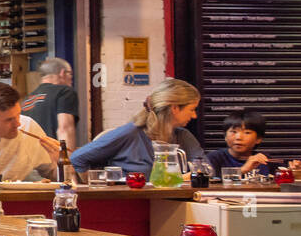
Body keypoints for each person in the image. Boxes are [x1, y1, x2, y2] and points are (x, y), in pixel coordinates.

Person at [70, 78, 202, 178]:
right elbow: (77, 158)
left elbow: (205, 168)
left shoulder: (184, 136)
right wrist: (97, 185)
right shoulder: (130, 133)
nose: (195, 115)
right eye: (192, 109)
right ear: (174, 108)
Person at [20, 58, 80, 151]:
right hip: (51, 159)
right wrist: (67, 161)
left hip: (29, 159)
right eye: (70, 74)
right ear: (62, 73)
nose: (71, 79)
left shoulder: (26, 100)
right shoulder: (64, 92)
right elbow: (65, 129)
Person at [203, 110, 274, 177]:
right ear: (225, 136)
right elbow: (209, 182)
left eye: (247, 133)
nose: (238, 137)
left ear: (258, 139)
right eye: (234, 132)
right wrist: (243, 170)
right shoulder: (213, 159)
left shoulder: (264, 161)